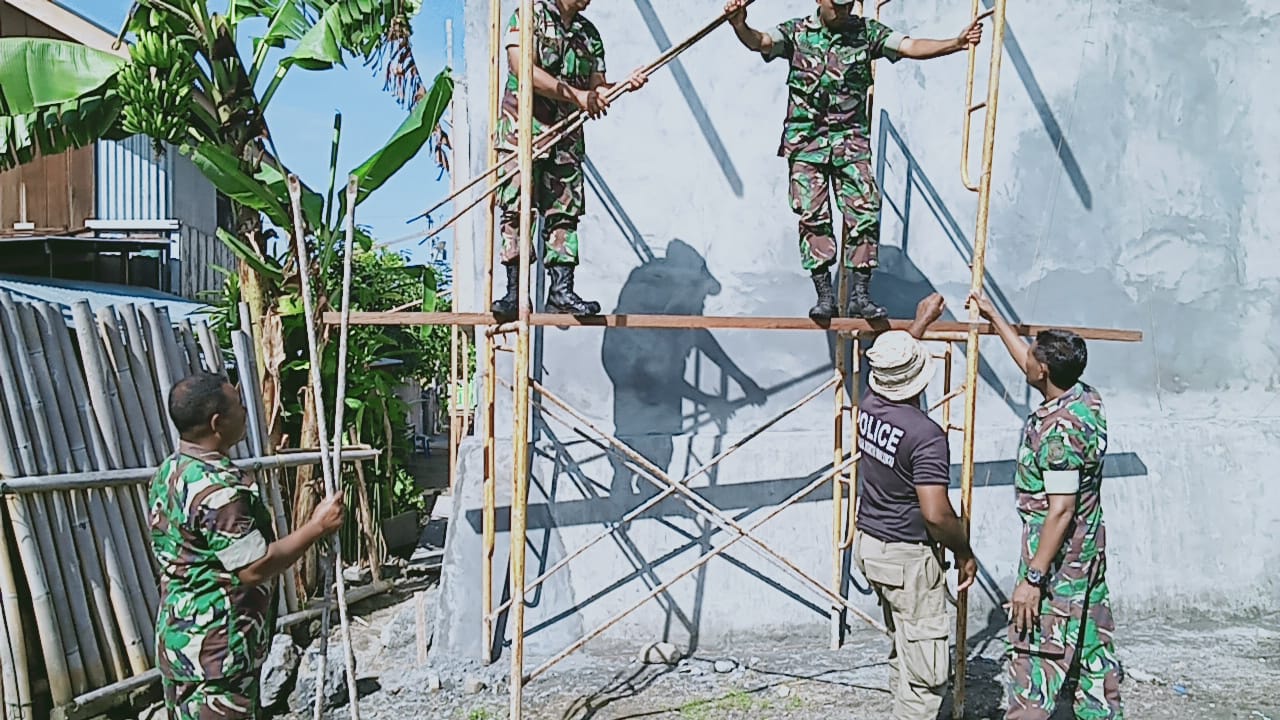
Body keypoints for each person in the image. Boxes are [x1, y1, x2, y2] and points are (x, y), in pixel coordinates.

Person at [724, 0, 983, 321]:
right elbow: (760, 42)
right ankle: (824, 297)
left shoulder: (866, 33)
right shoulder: (797, 33)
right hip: (806, 144)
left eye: (848, 4)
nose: (844, 10)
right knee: (812, 215)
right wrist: (739, 24)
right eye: (837, 5)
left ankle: (861, 294)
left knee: (865, 212)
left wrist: (954, 44)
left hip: (850, 144)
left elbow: (910, 46)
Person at [148, 373, 346, 719]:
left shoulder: (172, 471)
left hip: (182, 640)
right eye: (238, 406)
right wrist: (317, 526)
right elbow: (254, 567)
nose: (245, 411)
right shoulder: (218, 490)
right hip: (216, 653)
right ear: (217, 422)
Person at [968, 292, 1124, 720]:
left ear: (1044, 370)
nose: (1028, 362)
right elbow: (1030, 362)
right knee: (1094, 658)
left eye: (1033, 357)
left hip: (1057, 563)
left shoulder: (1057, 434)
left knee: (1036, 658)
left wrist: (1033, 579)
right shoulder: (1084, 398)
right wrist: (994, 316)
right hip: (1087, 555)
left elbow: (1061, 510)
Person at [852, 293, 979, 720]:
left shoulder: (867, 405)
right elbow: (936, 514)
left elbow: (894, 373)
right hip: (907, 556)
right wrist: (964, 552)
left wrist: (918, 326)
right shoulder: (926, 435)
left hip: (871, 545)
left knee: (904, 647)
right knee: (926, 676)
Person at [489, 0, 649, 321]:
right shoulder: (529, 14)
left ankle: (561, 291)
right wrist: (576, 96)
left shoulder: (589, 34)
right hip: (524, 129)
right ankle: (514, 293)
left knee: (564, 211)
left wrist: (621, 87)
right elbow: (522, 68)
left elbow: (596, 88)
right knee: (516, 207)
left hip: (566, 135)